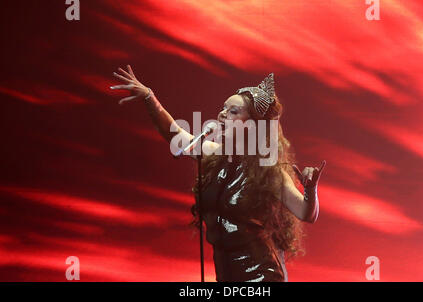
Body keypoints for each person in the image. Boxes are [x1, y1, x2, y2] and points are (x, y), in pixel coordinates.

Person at [110, 65, 325, 282]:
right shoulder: (212, 154)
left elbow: (307, 213)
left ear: (251, 126)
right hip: (225, 274)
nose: (222, 114)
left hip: (261, 276)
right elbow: (173, 134)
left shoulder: (268, 171)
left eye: (233, 112)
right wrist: (149, 97)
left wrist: (310, 189)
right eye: (223, 108)